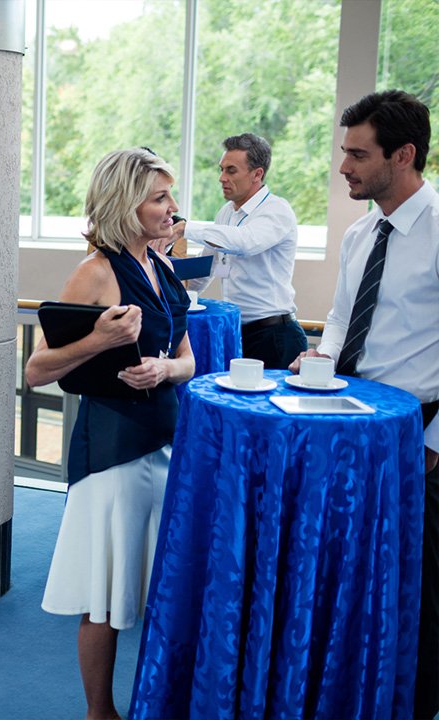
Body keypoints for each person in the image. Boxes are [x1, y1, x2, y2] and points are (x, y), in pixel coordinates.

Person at [25, 148, 195, 719]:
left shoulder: (163, 265)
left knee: (157, 586)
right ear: (127, 206)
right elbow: (37, 369)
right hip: (114, 452)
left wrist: (164, 369)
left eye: (170, 196)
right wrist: (98, 340)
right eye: (160, 198)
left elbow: (187, 358)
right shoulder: (95, 271)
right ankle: (101, 713)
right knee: (105, 594)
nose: (174, 208)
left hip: (168, 440)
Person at [289, 89, 438, 720]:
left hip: (421, 438)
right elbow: (344, 326)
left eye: (357, 154)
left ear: (402, 155)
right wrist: (313, 366)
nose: (343, 167)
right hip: (349, 430)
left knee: (420, 591)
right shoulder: (357, 235)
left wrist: (434, 446)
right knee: (349, 576)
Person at [180, 133, 307, 368]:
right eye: (221, 169)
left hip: (274, 335)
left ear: (257, 174)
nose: (221, 178)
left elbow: (245, 243)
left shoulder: (277, 210)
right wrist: (166, 278)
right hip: (236, 332)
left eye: (231, 170)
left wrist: (186, 229)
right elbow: (207, 267)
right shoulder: (225, 213)